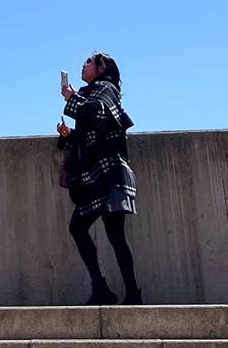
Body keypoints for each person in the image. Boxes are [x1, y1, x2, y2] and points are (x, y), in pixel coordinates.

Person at [57, 52, 142, 306]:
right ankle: (113, 289)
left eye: (88, 62)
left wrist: (73, 99)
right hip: (97, 176)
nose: (83, 66)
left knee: (102, 232)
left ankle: (115, 290)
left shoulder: (106, 89)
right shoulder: (91, 93)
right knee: (109, 234)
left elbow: (100, 114)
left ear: (101, 68)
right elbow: (88, 133)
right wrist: (66, 134)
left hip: (108, 174)